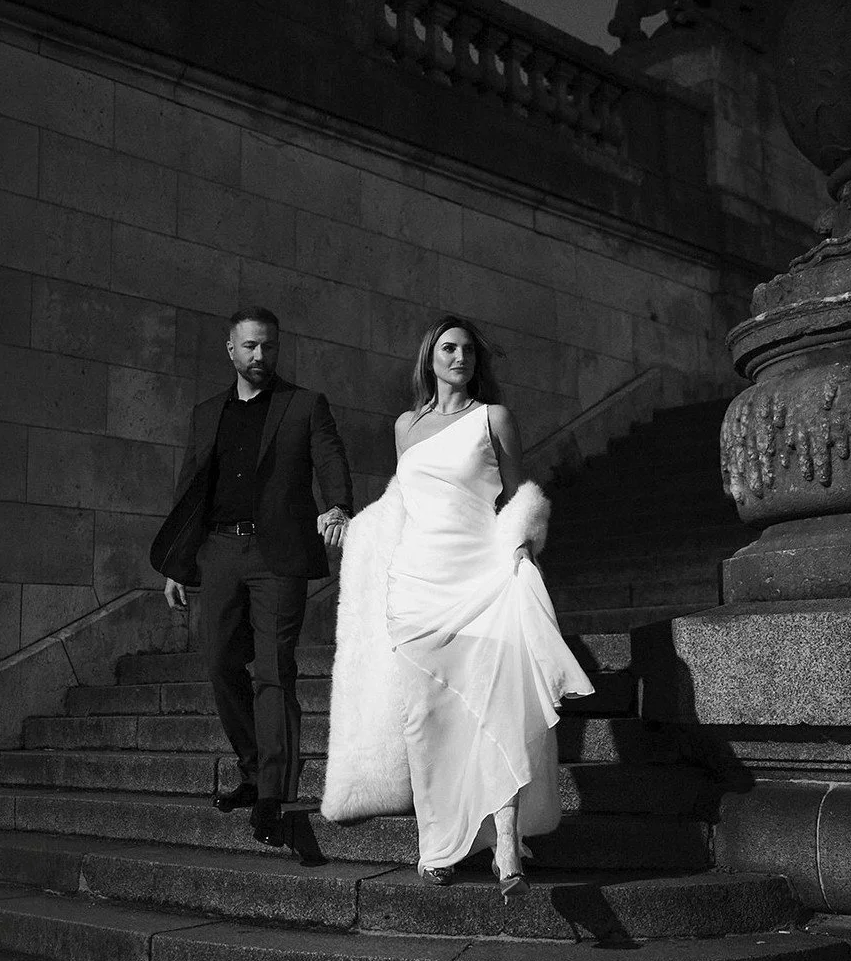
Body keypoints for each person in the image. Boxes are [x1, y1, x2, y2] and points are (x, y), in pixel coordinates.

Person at [322, 315, 593, 900]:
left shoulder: (493, 418)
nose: (459, 357)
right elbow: (401, 502)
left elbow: (519, 495)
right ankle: (440, 844)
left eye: (468, 350)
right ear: (430, 356)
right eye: (448, 348)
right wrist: (353, 526)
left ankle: (506, 844)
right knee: (426, 717)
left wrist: (521, 543)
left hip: (480, 579)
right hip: (416, 585)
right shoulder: (406, 426)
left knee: (495, 709)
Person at [150, 306, 352, 848]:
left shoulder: (304, 405)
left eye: (269, 346)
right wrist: (178, 562)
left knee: (274, 669)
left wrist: (337, 505)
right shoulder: (207, 413)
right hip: (218, 550)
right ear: (231, 350)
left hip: (276, 555)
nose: (261, 355)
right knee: (220, 662)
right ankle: (253, 767)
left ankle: (271, 794)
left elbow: (330, 458)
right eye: (250, 346)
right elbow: (191, 487)